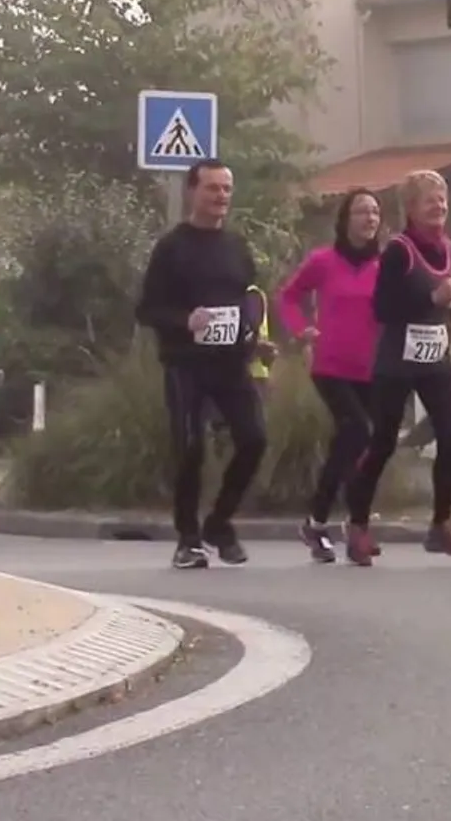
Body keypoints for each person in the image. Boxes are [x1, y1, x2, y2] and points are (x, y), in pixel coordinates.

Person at [136, 159, 268, 570]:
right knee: (190, 449)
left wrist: (256, 340)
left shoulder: (237, 247)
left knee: (254, 439)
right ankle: (187, 538)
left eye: (227, 189)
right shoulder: (172, 247)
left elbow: (248, 300)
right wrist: (183, 321)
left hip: (231, 364)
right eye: (213, 188)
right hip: (185, 365)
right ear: (193, 192)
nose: (221, 197)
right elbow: (146, 308)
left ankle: (219, 523)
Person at [361, 170, 451, 563]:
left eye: (443, 199)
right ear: (410, 208)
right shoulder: (398, 250)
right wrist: (433, 298)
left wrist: (450, 308)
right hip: (397, 362)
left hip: (434, 358)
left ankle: (441, 524)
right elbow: (383, 308)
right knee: (383, 442)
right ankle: (357, 524)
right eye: (430, 200)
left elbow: (434, 301)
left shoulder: (446, 247)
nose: (439, 206)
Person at [280, 189, 385, 563]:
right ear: (346, 219)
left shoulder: (387, 264)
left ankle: (348, 526)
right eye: (361, 212)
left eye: (375, 212)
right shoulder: (323, 260)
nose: (369, 219)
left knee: (364, 446)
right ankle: (319, 519)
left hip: (373, 368)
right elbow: (289, 296)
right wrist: (300, 330)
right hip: (331, 365)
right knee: (357, 429)